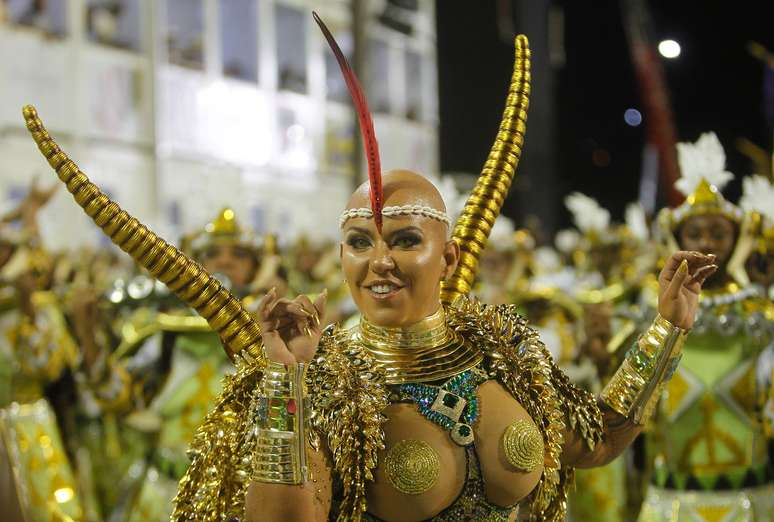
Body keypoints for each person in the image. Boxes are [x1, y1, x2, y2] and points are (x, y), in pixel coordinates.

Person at [21, 14, 717, 522]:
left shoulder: (503, 350)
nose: (378, 261)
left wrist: (667, 330)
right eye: (359, 243)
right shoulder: (329, 377)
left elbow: (590, 443)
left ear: (448, 256)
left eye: (404, 241)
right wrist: (285, 385)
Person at [638, 133, 774, 521]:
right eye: (695, 234)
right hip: (675, 490)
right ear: (678, 239)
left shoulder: (762, 314)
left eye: (718, 233)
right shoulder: (654, 310)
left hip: (748, 489)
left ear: (738, 238)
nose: (707, 244)